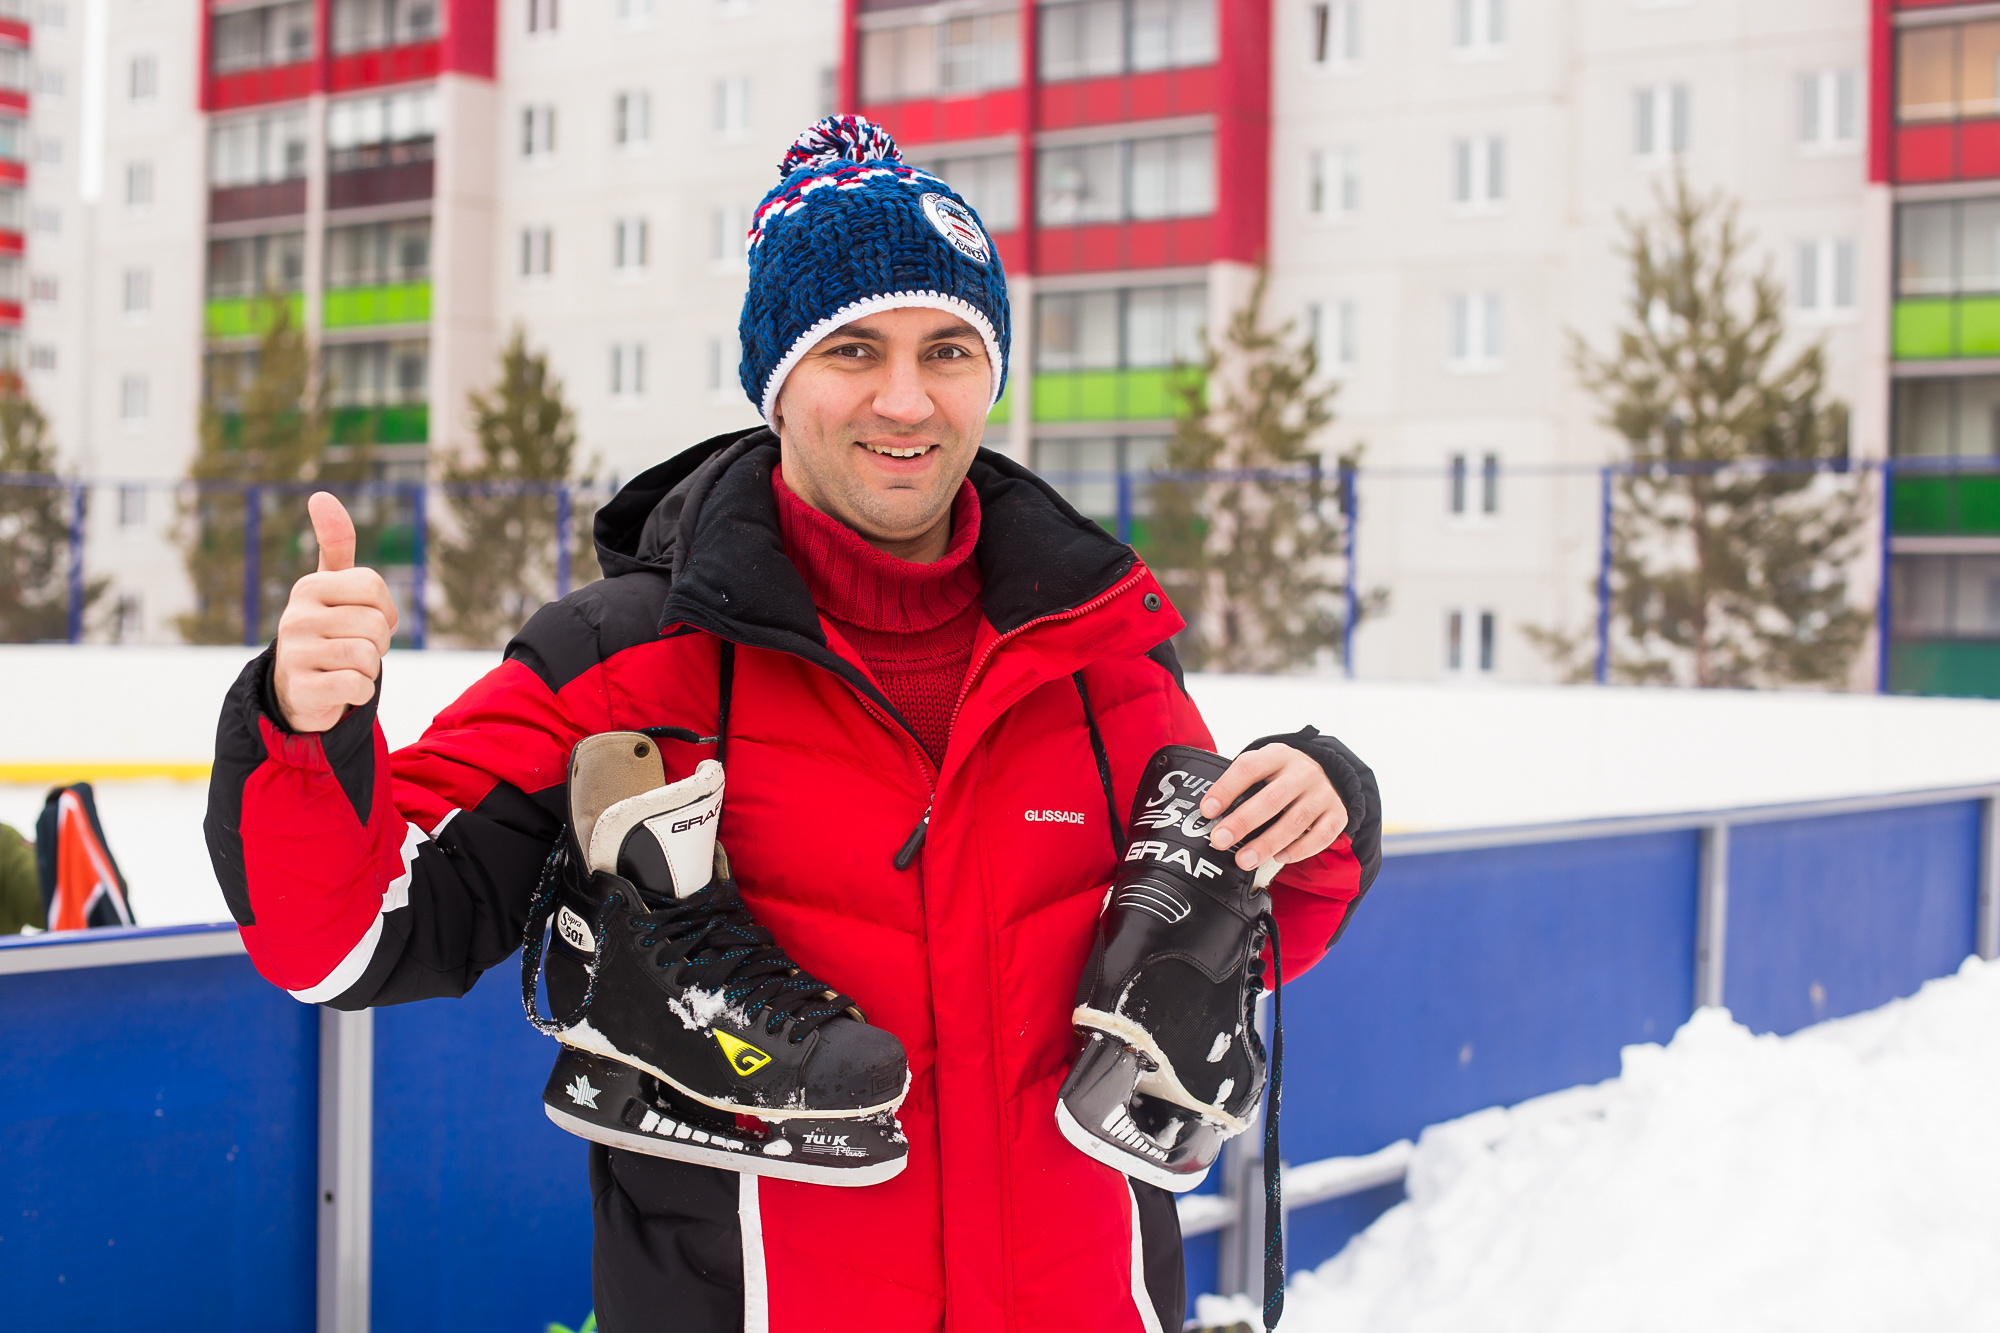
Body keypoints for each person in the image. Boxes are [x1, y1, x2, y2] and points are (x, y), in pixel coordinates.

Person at [205, 117, 1382, 1332]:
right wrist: (307, 728)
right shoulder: (620, 661)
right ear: (774, 376)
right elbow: (347, 937)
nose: (905, 398)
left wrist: (1320, 803)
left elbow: (1222, 947)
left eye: (949, 348)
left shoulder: (1101, 649)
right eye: (852, 348)